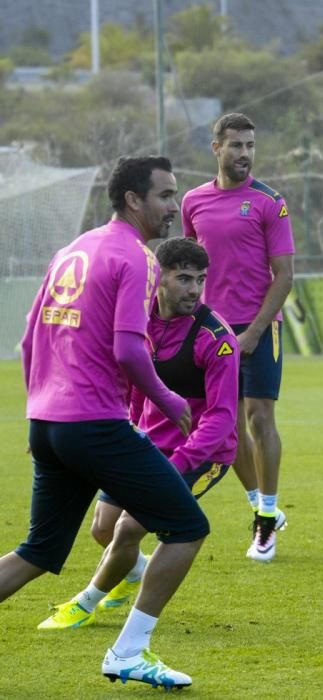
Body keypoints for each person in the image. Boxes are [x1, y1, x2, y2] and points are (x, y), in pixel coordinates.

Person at [0, 156, 211, 690]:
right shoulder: (135, 258)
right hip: (94, 425)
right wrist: (167, 400)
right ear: (133, 200)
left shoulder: (74, 248)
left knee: (38, 552)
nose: (172, 207)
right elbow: (128, 351)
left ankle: (124, 642)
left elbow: (29, 341)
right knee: (187, 528)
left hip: (49, 424)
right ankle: (128, 652)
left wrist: (40, 408)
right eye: (165, 196)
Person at [37, 236, 239, 627]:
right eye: (183, 278)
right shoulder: (138, 319)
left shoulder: (216, 339)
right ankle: (132, 573)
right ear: (157, 279)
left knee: (130, 527)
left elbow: (222, 417)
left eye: (200, 279)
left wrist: (180, 463)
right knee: (104, 527)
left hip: (202, 455)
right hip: (145, 443)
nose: (194, 289)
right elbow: (129, 382)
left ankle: (84, 604)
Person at [182, 112, 295, 563]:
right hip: (210, 334)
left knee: (259, 420)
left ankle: (266, 524)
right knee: (225, 431)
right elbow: (187, 267)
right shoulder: (193, 201)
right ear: (217, 148)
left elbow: (284, 276)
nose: (244, 153)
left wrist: (252, 332)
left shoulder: (270, 202)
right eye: (236, 145)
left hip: (259, 329)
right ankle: (259, 506)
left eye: (250, 145)